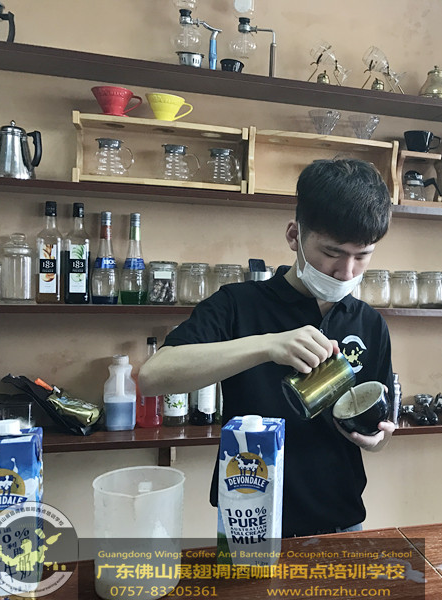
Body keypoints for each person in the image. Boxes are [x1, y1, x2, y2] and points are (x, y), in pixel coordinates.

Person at [139, 158, 396, 537]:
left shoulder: (369, 323)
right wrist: (266, 345)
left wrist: (375, 440)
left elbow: (381, 427)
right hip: (248, 514)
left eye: (362, 256)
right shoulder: (237, 304)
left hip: (341, 519)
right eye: (332, 253)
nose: (347, 272)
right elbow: (152, 377)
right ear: (294, 235)